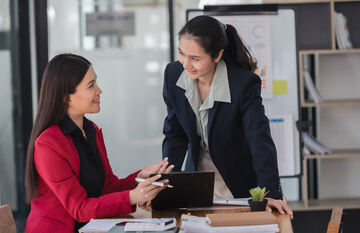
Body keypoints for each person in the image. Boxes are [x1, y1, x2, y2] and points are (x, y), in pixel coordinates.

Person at [24, 53, 174, 232]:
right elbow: (79, 209)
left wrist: (140, 177)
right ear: (66, 97)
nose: (99, 90)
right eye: (91, 85)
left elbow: (106, 187)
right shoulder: (48, 144)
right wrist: (133, 196)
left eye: (96, 82)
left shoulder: (91, 130)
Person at [162, 15, 292, 217]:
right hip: (198, 178)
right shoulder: (173, 75)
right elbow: (174, 135)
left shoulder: (243, 83)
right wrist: (165, 185)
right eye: (181, 53)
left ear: (217, 55)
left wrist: (270, 193)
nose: (186, 64)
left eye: (195, 58)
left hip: (237, 179)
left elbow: (259, 139)